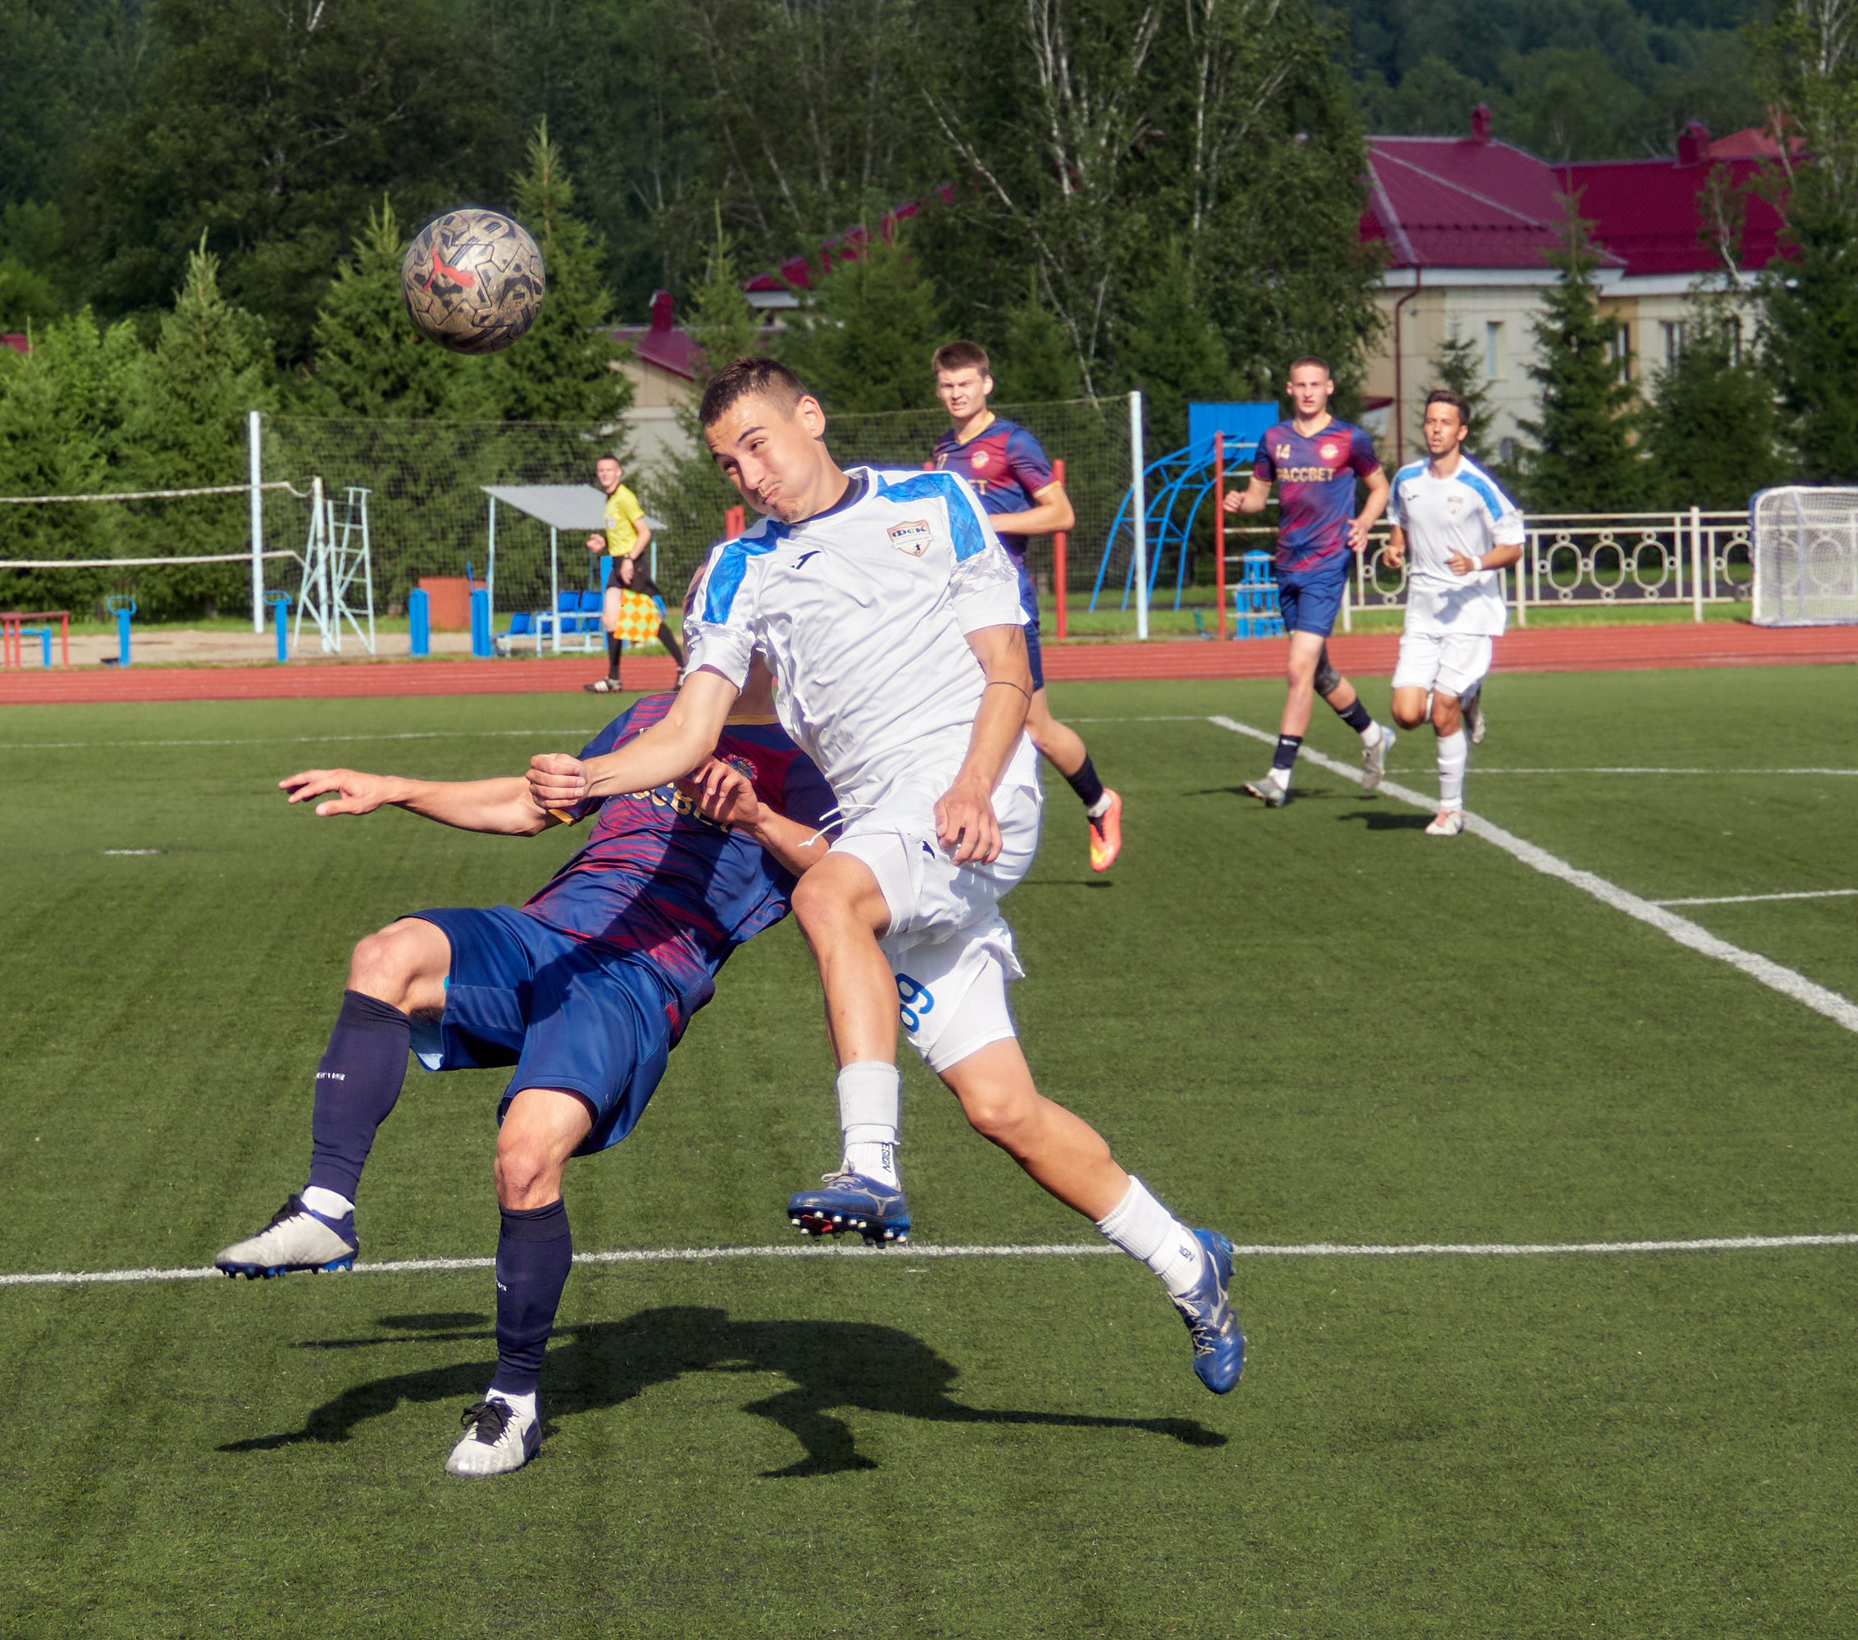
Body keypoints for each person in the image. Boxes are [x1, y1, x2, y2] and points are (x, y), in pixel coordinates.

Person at [527, 358, 1245, 1397]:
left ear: (811, 416)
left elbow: (1008, 668)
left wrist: (970, 783)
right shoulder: (741, 570)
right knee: (1003, 1108)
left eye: (759, 444)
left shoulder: (936, 501)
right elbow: (691, 727)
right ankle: (1191, 1263)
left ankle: (869, 1164)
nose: (750, 473)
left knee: (826, 896)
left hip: (971, 798)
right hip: (888, 831)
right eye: (729, 460)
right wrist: (593, 773)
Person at [213, 677, 838, 1477]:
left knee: (524, 1160)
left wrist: (754, 815)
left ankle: (515, 1401)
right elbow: (530, 806)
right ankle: (326, 1209)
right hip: (546, 936)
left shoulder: (816, 741)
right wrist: (396, 789)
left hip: (637, 979)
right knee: (385, 957)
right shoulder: (656, 716)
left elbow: (843, 871)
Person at [929, 340, 1123, 872]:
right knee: (958, 714)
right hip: (956, 605)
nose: (956, 393)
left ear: (986, 384)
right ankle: (959, 831)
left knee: (1032, 725)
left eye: (965, 383)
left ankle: (1100, 802)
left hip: (1007, 604)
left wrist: (990, 524)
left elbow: (1060, 514)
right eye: (947, 386)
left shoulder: (1013, 442)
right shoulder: (944, 450)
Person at [1220, 357, 1399, 805]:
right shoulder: (1274, 439)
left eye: (1315, 385)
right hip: (1289, 565)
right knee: (1318, 674)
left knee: (1298, 669)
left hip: (1326, 565)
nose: (1307, 392)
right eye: (1300, 385)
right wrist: (1240, 502)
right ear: (1289, 388)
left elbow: (1379, 486)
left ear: (1329, 388)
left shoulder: (1350, 438)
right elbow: (1259, 498)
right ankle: (1374, 734)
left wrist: (1363, 522)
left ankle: (1278, 778)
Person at [1379, 390, 1525, 836]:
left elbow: (1514, 545)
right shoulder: (1406, 478)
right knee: (1405, 713)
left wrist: (1476, 562)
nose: (1436, 428)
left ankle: (1451, 810)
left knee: (1441, 709)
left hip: (1470, 611)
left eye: (1445, 422)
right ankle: (1468, 697)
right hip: (1423, 611)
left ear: (1461, 431)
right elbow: (1399, 520)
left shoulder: (1479, 485)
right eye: (1430, 421)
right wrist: (1395, 547)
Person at [583, 454, 685, 693]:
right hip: (618, 563)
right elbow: (621, 535)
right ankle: (613, 679)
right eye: (601, 470)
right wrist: (604, 541)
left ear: (619, 473)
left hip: (632, 563)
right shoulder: (609, 500)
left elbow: (644, 532)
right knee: (609, 619)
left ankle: (683, 667)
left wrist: (629, 559)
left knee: (649, 619)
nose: (605, 474)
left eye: (609, 470)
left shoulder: (624, 497)